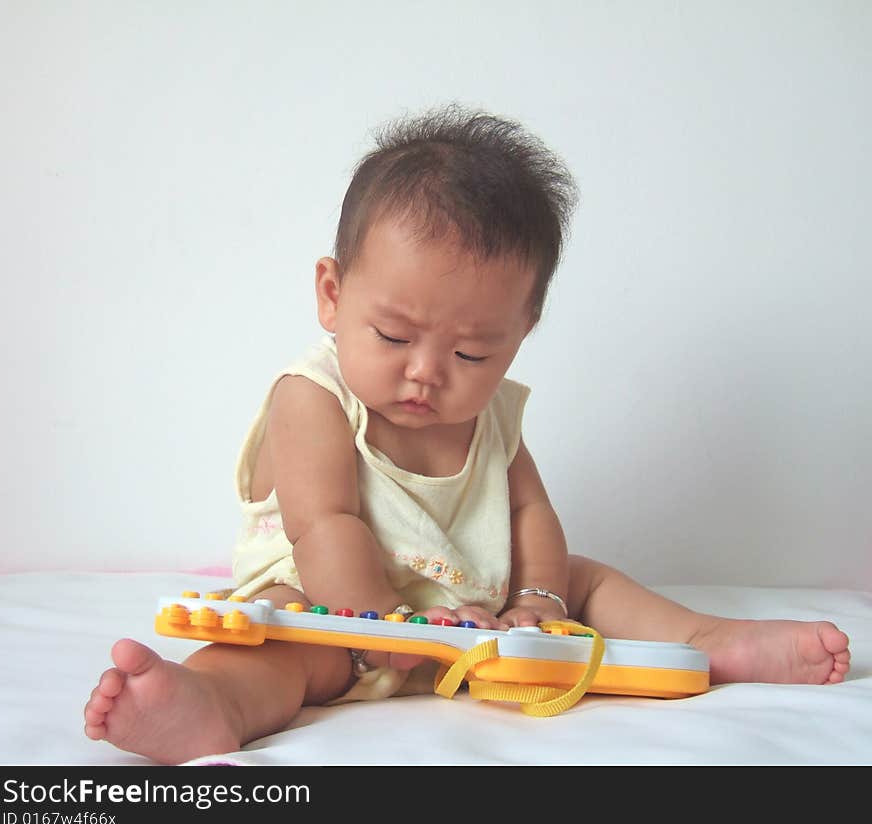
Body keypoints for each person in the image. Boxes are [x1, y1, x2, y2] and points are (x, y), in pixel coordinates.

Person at [84, 104, 850, 765]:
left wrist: (539, 599)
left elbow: (528, 516)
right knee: (289, 645)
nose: (427, 372)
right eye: (393, 335)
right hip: (343, 612)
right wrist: (392, 627)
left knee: (585, 576)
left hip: (473, 622)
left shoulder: (493, 418)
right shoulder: (312, 398)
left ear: (520, 334)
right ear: (332, 293)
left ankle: (712, 640)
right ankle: (210, 703)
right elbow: (326, 526)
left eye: (470, 352)